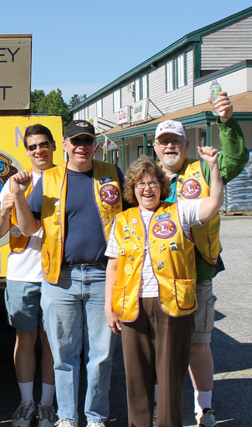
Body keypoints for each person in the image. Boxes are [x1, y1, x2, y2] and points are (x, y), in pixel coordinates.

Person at [13, 120, 124, 427]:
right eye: (76, 141)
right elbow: (29, 228)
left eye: (87, 140)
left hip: (103, 277)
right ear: (64, 146)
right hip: (60, 279)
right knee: (63, 355)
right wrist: (19, 196)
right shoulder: (49, 179)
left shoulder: (112, 174)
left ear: (95, 145)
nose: (81, 147)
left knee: (101, 356)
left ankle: (95, 418)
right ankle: (67, 418)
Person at [105, 150, 224, 427]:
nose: (147, 189)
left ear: (162, 186)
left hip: (172, 305)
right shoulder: (122, 220)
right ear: (132, 188)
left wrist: (214, 168)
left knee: (170, 376)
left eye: (153, 183)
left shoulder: (180, 211)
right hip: (132, 306)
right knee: (136, 379)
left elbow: (213, 203)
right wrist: (108, 307)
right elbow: (113, 266)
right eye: (140, 183)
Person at [151, 92, 248, 427]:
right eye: (164, 142)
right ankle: (160, 405)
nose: (170, 146)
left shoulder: (204, 169)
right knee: (160, 347)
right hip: (157, 279)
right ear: (155, 148)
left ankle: (204, 408)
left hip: (197, 275)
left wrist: (227, 121)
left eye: (175, 141)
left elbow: (235, 159)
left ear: (186, 145)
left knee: (198, 345)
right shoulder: (147, 178)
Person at [0, 124, 57, 427]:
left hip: (56, 272)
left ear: (53, 146)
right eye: (32, 146)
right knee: (26, 338)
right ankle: (26, 402)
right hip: (22, 273)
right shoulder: (14, 182)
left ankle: (47, 405)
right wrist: (6, 209)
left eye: (43, 144)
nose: (38, 150)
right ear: (26, 151)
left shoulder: (65, 178)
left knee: (52, 340)